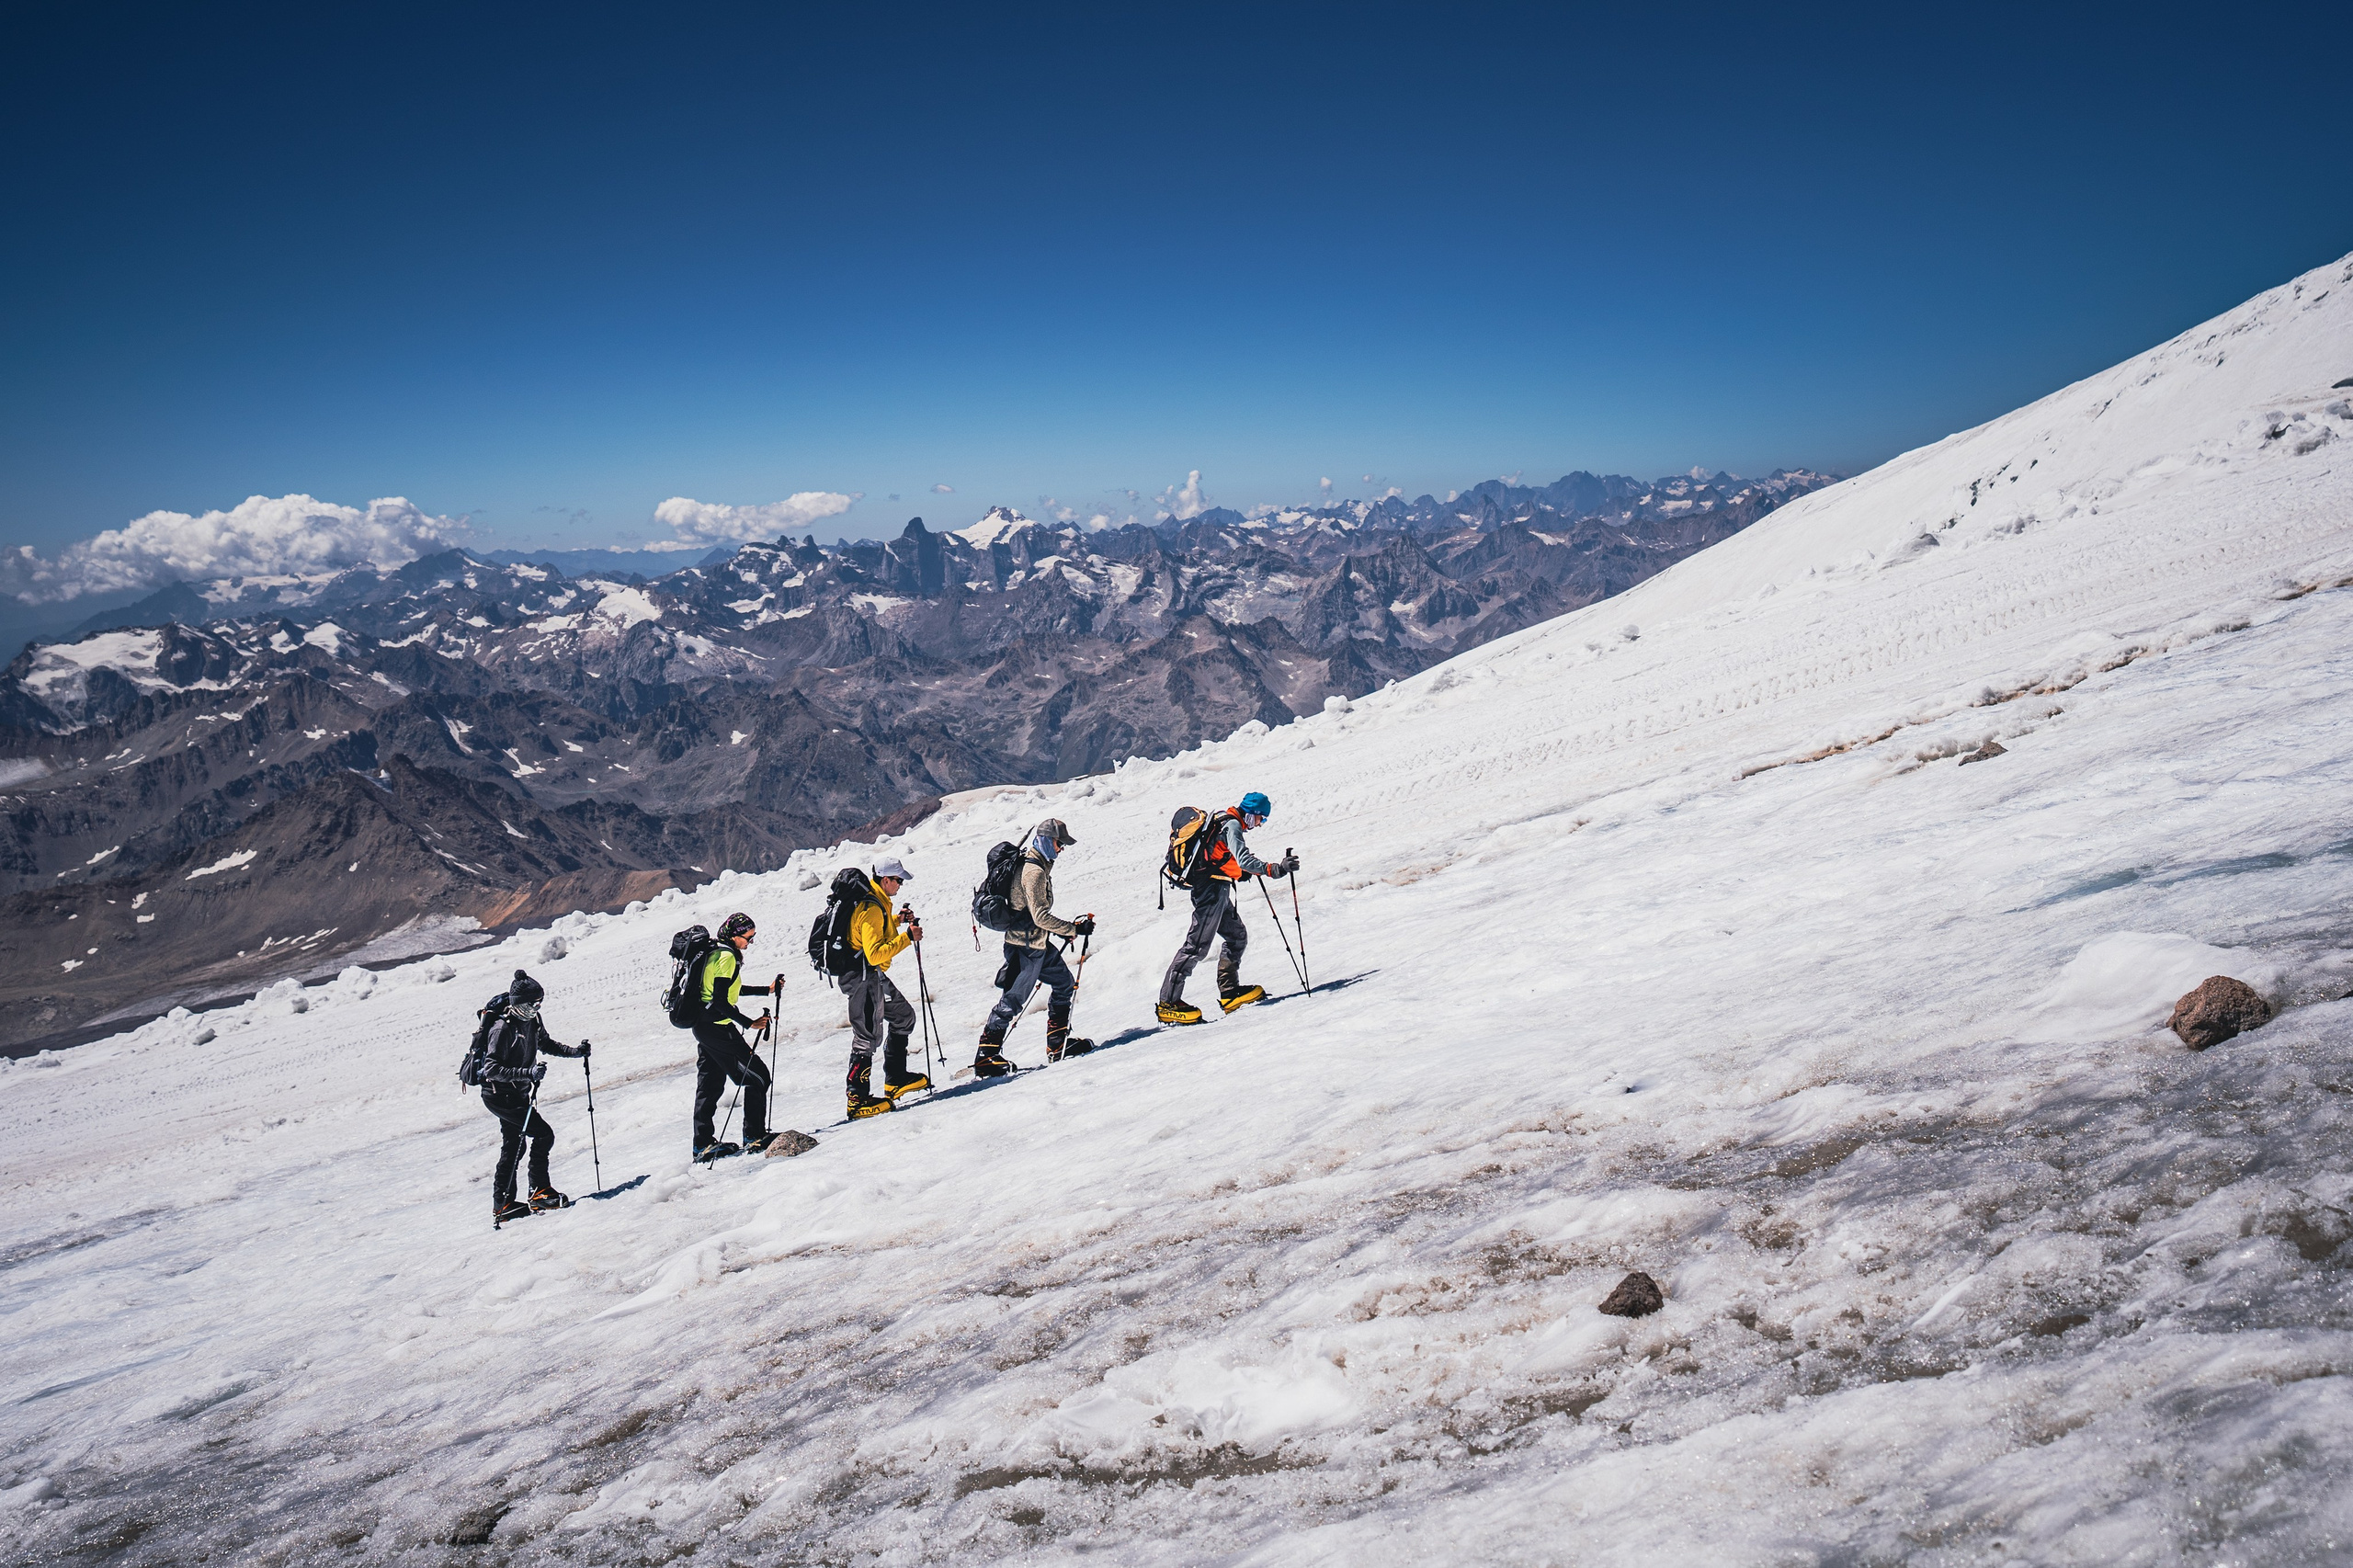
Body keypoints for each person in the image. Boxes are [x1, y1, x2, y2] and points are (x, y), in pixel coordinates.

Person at [1156, 790, 1297, 1025]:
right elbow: (1244, 860)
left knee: (1237, 937)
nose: (1260, 824)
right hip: (1210, 892)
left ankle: (1230, 993)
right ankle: (1168, 1003)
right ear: (1252, 814)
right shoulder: (1232, 825)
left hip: (1217, 889)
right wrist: (1275, 869)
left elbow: (1219, 856)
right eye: (1261, 819)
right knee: (1196, 947)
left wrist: (1240, 873)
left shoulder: (1224, 820)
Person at [974, 817, 1097, 1076]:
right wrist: (1073, 930)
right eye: (1059, 843)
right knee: (1013, 1000)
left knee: (1064, 984)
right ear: (1046, 841)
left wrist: (1063, 930)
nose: (1061, 849)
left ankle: (1058, 1044)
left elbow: (1033, 915)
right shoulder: (1035, 872)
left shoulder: (1037, 866)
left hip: (1036, 944)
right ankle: (986, 1056)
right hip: (1025, 948)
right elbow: (1040, 917)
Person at [476, 970, 589, 1224]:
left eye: (539, 1003)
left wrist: (575, 1052)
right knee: (543, 1134)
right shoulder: (502, 1029)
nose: (536, 1008)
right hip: (499, 1095)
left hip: (516, 1093)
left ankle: (504, 1205)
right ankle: (539, 1192)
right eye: (532, 1004)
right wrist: (528, 1073)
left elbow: (545, 1044)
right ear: (518, 1003)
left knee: (515, 1145)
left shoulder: (533, 1021)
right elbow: (491, 1069)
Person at [689, 912, 777, 1159]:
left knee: (710, 1084)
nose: (750, 942)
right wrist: (750, 1023)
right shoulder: (727, 957)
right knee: (758, 1076)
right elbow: (720, 1001)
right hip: (717, 1028)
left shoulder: (716, 952)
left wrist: (767, 990)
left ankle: (702, 1145)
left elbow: (729, 990)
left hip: (703, 1026)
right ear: (734, 936)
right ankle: (754, 1136)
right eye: (748, 937)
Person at [846, 855, 926, 1118]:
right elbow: (874, 954)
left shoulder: (877, 901)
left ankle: (896, 1079)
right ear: (885, 880)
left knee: (903, 1017)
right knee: (867, 1036)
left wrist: (897, 920)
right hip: (863, 977)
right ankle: (857, 1100)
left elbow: (874, 930)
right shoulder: (871, 907)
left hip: (872, 976)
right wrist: (907, 937)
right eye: (898, 881)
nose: (900, 885)